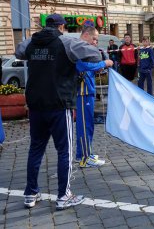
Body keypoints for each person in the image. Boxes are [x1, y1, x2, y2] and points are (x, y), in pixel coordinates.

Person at [15, 14, 103, 210]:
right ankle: (64, 196)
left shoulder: (32, 41)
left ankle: (30, 193)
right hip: (59, 103)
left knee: (35, 149)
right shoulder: (66, 42)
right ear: (62, 26)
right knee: (64, 150)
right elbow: (95, 55)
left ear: (46, 25)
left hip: (36, 104)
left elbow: (19, 52)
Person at [75, 27, 113, 168]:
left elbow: (88, 67)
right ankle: (85, 158)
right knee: (85, 126)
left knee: (87, 125)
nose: (96, 42)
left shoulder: (84, 48)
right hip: (83, 93)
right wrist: (104, 63)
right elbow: (81, 66)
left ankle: (83, 154)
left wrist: (97, 68)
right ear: (85, 35)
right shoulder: (78, 49)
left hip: (87, 91)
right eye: (94, 39)